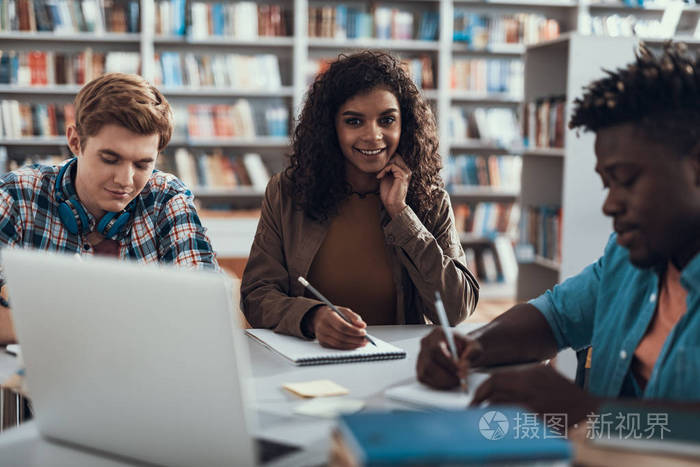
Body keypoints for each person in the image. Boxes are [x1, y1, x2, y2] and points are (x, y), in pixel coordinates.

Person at [416, 42, 700, 423]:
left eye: (627, 180)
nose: (610, 204)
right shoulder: (627, 256)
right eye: (606, 184)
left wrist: (591, 414)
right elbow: (556, 317)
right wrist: (471, 346)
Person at [241, 51, 479, 349]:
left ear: (405, 124)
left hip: (396, 364)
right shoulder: (287, 191)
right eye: (354, 121)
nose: (373, 135)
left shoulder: (429, 198)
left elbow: (456, 310)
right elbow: (256, 294)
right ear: (332, 128)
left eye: (387, 120)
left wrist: (402, 215)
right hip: (310, 356)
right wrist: (311, 318)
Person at [0, 72, 219, 344]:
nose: (125, 181)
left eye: (142, 165)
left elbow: (206, 310)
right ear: (75, 141)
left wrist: (46, 322)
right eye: (110, 159)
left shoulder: (167, 198)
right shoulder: (18, 195)